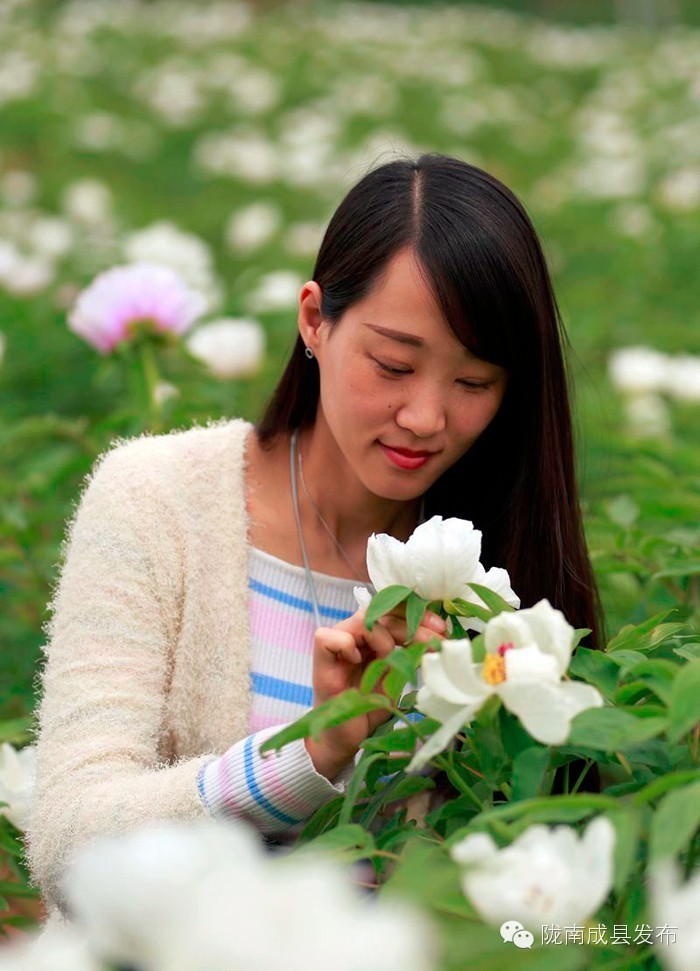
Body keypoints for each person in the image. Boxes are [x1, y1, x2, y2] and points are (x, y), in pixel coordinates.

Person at [23, 152, 605, 925]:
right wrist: (311, 752)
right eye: (393, 364)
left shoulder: (499, 567)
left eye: (474, 383)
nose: (426, 417)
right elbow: (70, 842)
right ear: (314, 320)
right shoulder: (159, 502)